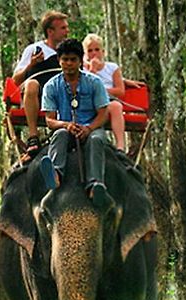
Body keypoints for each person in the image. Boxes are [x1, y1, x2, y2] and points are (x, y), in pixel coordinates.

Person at [39, 38, 112, 208]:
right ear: (59, 61)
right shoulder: (51, 86)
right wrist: (66, 125)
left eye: (73, 60)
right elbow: (49, 120)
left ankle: (95, 184)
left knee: (96, 140)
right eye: (65, 59)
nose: (69, 64)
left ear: (80, 61)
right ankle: (55, 174)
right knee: (59, 134)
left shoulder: (94, 83)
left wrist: (89, 128)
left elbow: (103, 114)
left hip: (91, 129)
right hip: (67, 129)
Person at [13, 10, 69, 154]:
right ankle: (33, 136)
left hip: (61, 93)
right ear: (50, 31)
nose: (67, 31)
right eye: (63, 28)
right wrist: (31, 64)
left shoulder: (69, 51)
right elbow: (16, 80)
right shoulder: (33, 49)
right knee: (31, 84)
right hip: (37, 93)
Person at [82, 33, 145, 153]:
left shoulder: (112, 67)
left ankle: (120, 147)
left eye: (97, 50)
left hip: (107, 101)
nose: (94, 53)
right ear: (85, 54)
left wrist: (102, 91)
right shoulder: (82, 69)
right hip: (89, 102)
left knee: (116, 106)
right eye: (90, 51)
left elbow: (120, 91)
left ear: (103, 51)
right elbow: (86, 89)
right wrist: (92, 71)